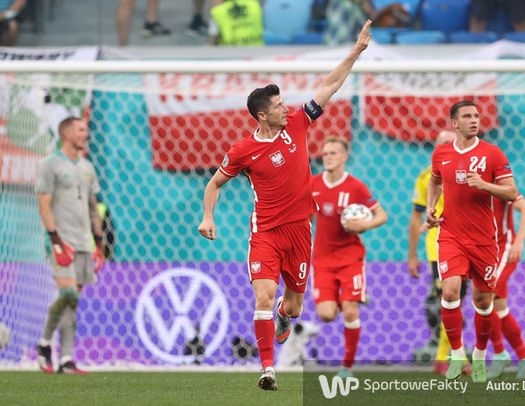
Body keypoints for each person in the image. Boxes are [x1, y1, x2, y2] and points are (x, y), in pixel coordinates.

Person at [198, 20, 372, 391]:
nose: (285, 106)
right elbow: (215, 183)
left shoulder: (297, 123)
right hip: (265, 234)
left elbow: (328, 86)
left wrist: (355, 52)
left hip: (299, 232)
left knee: (292, 306)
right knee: (263, 293)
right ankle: (267, 369)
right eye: (278, 105)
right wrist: (208, 215)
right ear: (263, 115)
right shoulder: (243, 151)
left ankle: (283, 317)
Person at [426, 100, 518, 382]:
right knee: (450, 292)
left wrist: (485, 185)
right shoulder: (441, 154)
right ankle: (457, 354)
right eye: (467, 116)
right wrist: (432, 206)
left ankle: (479, 354)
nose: (474, 120)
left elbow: (512, 193)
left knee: (482, 301)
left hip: (484, 240)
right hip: (451, 235)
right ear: (454, 123)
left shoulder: (492, 154)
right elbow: (435, 181)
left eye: (477, 116)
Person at [311, 137, 388, 378]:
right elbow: (305, 217)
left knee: (350, 311)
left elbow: (381, 216)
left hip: (350, 258)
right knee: (326, 315)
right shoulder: (312, 184)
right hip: (322, 259)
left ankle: (346, 368)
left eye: (334, 152)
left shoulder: (355, 187)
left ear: (345, 157)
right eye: (325, 153)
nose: (328, 156)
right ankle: (351, 295)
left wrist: (364, 225)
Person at [35, 117, 105, 375]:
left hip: (84, 242)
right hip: (62, 242)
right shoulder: (50, 164)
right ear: (67, 133)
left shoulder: (87, 167)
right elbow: (44, 204)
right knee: (68, 295)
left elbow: (93, 206)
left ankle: (65, 360)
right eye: (81, 129)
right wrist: (55, 239)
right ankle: (44, 343)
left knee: (72, 304)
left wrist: (99, 241)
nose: (86, 133)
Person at [408, 130, 470, 376]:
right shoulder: (426, 178)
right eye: (440, 143)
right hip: (439, 246)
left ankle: (453, 355)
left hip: (468, 244)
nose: (445, 146)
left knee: (460, 301)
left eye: (449, 142)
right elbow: (415, 218)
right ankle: (449, 357)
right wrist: (412, 254)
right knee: (449, 298)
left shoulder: (468, 174)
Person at [487, 194, 525, 379]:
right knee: (499, 308)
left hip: (504, 249)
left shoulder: (501, 184)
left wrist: (519, 241)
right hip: (484, 252)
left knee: (485, 299)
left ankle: (499, 353)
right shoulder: (469, 182)